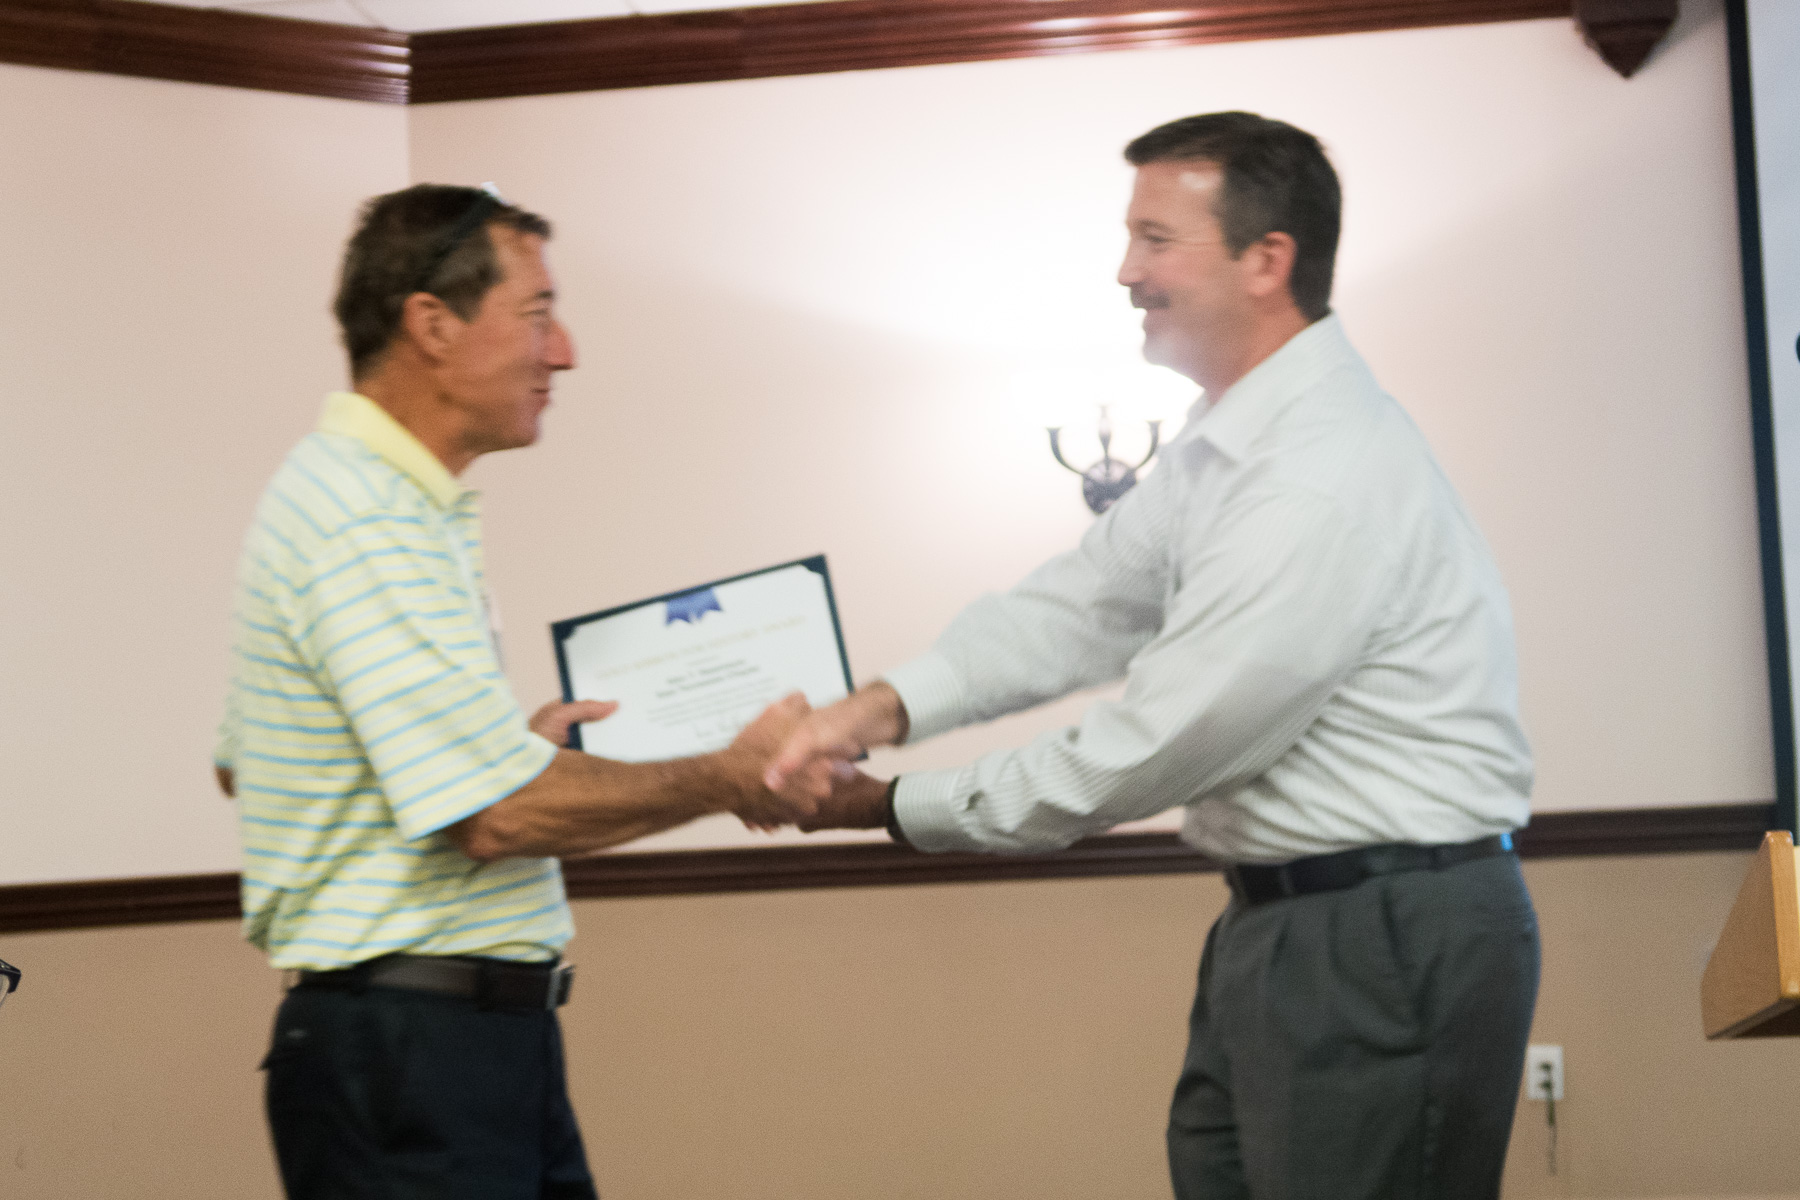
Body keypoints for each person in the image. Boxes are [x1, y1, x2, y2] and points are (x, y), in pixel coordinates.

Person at [765, 112, 1541, 1200]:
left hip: (1378, 934)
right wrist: (880, 709)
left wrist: (889, 808)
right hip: (1284, 924)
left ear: (1268, 260)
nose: (1125, 270)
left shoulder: (1318, 471)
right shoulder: (1229, 443)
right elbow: (1083, 605)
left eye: (1156, 238)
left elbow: (1168, 739)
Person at [214, 184, 814, 1200]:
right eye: (537, 313)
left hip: (449, 1047)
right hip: (413, 1058)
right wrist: (731, 773)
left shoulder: (381, 501)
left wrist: (496, 745)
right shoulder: (367, 519)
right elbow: (493, 819)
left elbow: (251, 762)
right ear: (432, 323)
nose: (564, 350)